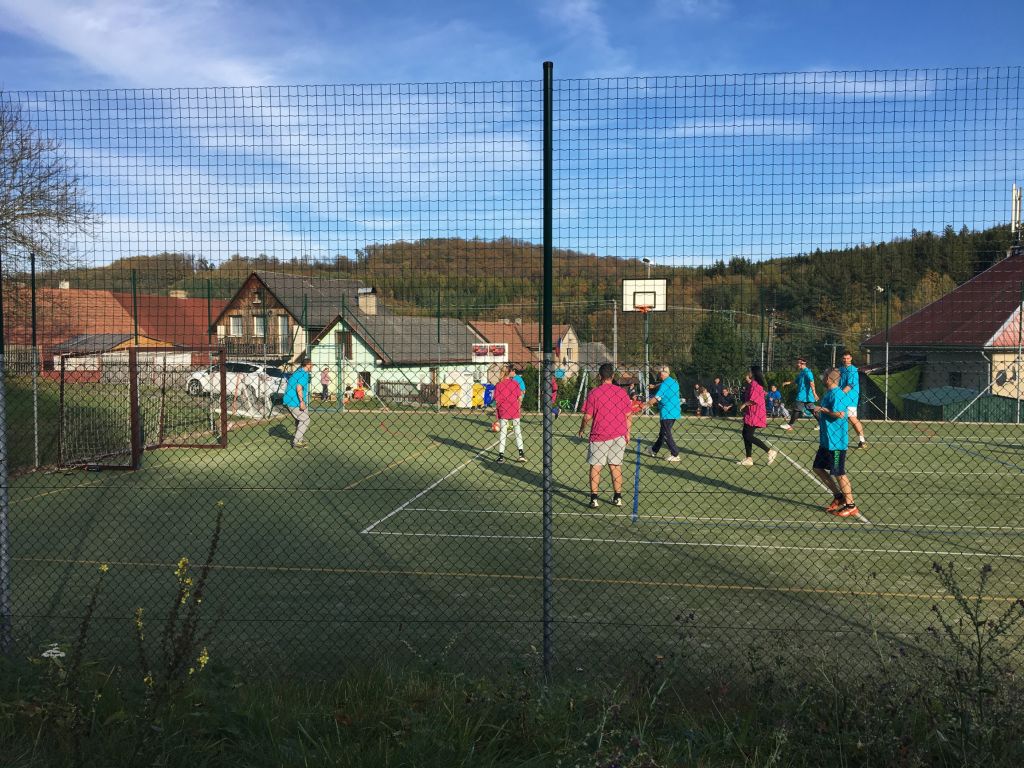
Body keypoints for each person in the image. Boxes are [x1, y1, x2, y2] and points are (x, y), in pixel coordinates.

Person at [578, 363, 633, 508]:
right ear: (613, 376)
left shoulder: (594, 393)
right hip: (619, 434)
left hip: (599, 434)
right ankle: (618, 497)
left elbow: (587, 416)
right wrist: (628, 433)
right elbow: (628, 415)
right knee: (615, 466)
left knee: (596, 467)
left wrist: (582, 429)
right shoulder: (621, 392)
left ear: (599, 376)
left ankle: (594, 499)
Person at [811, 368, 861, 518]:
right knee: (817, 468)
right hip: (826, 441)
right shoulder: (828, 393)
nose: (822, 379)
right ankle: (839, 497)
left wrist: (823, 410)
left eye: (823, 377)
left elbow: (840, 414)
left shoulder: (838, 394)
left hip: (837, 443)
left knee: (839, 473)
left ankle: (851, 505)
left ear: (828, 378)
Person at [737, 365, 778, 466]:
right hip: (750, 413)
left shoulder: (755, 385)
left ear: (753, 373)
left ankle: (770, 451)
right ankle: (749, 458)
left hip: (755, 413)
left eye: (750, 371)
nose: (748, 372)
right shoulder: (753, 384)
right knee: (745, 434)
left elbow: (753, 400)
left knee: (748, 435)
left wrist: (743, 405)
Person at [647, 364, 681, 463]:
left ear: (663, 373)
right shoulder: (673, 381)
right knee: (663, 433)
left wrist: (646, 404)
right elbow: (662, 385)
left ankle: (675, 454)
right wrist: (655, 386)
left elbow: (656, 398)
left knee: (666, 434)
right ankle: (654, 450)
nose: (658, 374)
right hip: (674, 411)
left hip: (667, 412)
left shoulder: (664, 385)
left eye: (659, 372)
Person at [493, 365, 526, 463]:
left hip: (503, 409)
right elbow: (520, 397)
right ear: (509, 372)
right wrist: (518, 407)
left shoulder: (499, 385)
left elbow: (497, 400)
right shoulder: (515, 383)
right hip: (514, 409)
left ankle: (501, 456)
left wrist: (497, 415)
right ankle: (521, 454)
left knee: (503, 432)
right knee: (517, 431)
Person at [780, 357, 818, 430]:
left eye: (798, 363)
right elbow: (796, 381)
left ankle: (790, 425)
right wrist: (787, 383)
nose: (797, 364)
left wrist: (814, 393)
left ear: (803, 363)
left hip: (804, 395)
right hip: (804, 396)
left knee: (796, 410)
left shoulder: (808, 372)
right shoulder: (801, 372)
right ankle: (822, 424)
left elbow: (812, 382)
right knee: (812, 410)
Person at [283, 357, 313, 448]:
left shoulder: (300, 372)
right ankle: (296, 442)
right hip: (294, 401)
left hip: (293, 400)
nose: (312, 366)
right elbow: (299, 387)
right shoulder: (302, 373)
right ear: (307, 364)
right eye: (311, 364)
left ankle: (300, 439)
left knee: (300, 419)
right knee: (305, 420)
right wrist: (301, 401)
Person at [840, 352, 867, 448]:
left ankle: (862, 441)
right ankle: (839, 439)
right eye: (844, 358)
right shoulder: (841, 369)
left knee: (852, 418)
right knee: (839, 417)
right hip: (841, 398)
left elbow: (850, 385)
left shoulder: (853, 370)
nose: (846, 360)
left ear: (851, 358)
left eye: (847, 358)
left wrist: (840, 394)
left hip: (850, 398)